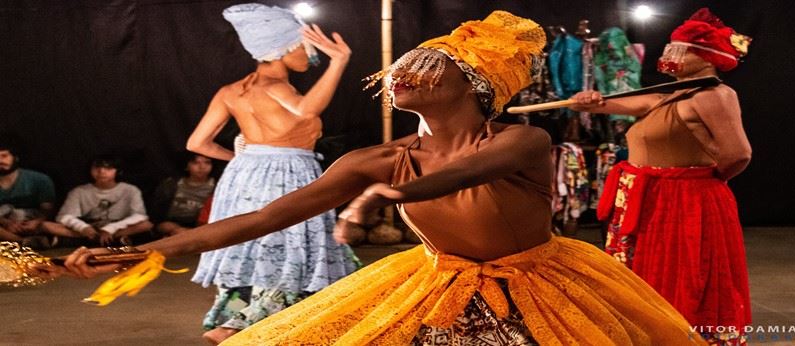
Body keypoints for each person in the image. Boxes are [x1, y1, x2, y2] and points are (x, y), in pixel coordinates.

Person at [51, 11, 706, 345]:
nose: (401, 73)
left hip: (542, 287)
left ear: (474, 85)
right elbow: (259, 220)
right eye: (402, 66)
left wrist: (389, 195)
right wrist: (141, 252)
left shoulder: (521, 141)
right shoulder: (378, 160)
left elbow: (464, 173)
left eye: (425, 65)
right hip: (437, 285)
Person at [570, 8, 752, 345]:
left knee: (684, 278)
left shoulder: (714, 96)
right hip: (651, 202)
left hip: (682, 202)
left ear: (707, 57)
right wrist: (589, 101)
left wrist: (696, 184)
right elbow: (613, 105)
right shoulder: (669, 96)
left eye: (681, 50)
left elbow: (738, 154)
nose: (672, 56)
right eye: (671, 48)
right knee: (645, 280)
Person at [183, 4, 359, 343]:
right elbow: (307, 110)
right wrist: (339, 61)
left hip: (244, 176)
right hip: (287, 173)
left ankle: (237, 319)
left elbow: (197, 143)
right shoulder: (277, 87)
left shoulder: (231, 91)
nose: (310, 56)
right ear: (283, 49)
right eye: (305, 47)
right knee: (290, 249)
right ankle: (237, 327)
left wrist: (242, 155)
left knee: (254, 245)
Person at [40, 156, 153, 246]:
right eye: (97, 168)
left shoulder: (130, 190)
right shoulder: (79, 191)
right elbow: (64, 216)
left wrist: (110, 229)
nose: (101, 171)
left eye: (108, 168)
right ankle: (110, 241)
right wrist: (83, 228)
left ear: (118, 171)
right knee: (46, 225)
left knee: (146, 225)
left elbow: (140, 216)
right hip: (88, 227)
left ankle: (77, 241)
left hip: (117, 226)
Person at [0, 141, 57, 248]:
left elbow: (48, 209)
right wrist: (6, 223)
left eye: (4, 156)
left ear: (15, 158)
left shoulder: (39, 179)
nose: (0, 161)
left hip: (32, 223)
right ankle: (24, 242)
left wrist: (37, 222)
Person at [149, 152, 216, 236]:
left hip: (200, 226)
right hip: (170, 223)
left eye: (207, 162)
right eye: (195, 163)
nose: (202, 167)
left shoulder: (218, 186)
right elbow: (156, 211)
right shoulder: (171, 184)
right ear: (186, 166)